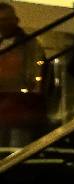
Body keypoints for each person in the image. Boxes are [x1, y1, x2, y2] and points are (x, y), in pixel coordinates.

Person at [0, 2, 47, 147]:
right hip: (6, 105)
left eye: (6, 20)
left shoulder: (30, 44)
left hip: (19, 107)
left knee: (17, 150)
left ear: (15, 20)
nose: (3, 24)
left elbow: (33, 76)